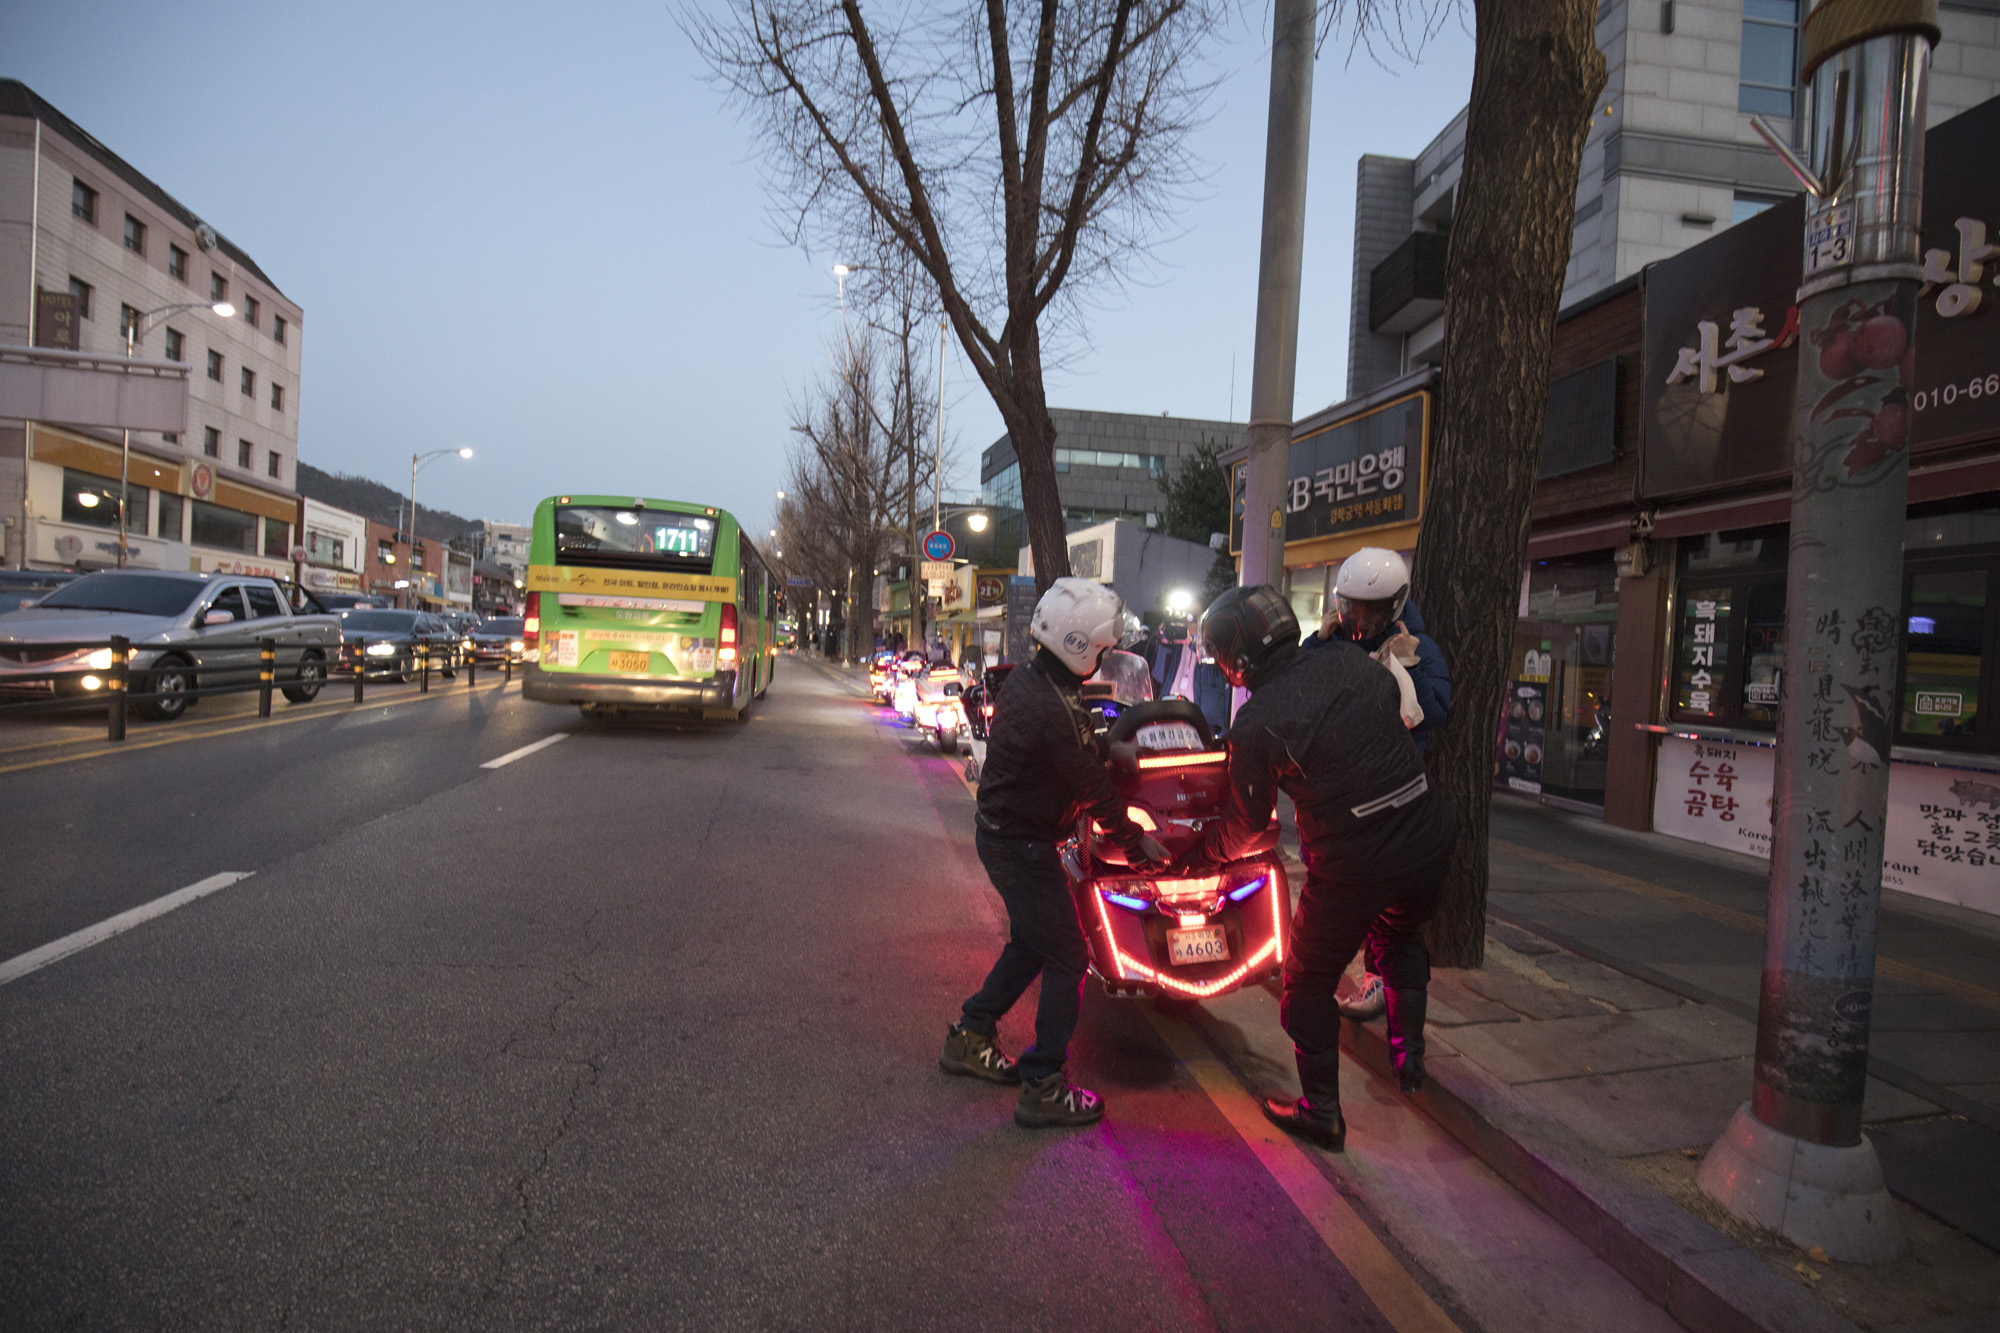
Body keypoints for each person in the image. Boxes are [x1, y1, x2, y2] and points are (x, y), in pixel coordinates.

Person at [1186, 585, 1453, 1151]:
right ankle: (1410, 1061)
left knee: (1306, 984)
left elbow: (1246, 831)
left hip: (1355, 858)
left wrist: (1196, 857)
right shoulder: (1352, 663)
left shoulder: (1257, 724)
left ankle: (1321, 1113)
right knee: (1401, 934)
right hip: (1428, 832)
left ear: (1235, 660)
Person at [941, 578, 1170, 1128]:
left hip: (1006, 835)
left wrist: (1109, 745)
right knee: (1068, 954)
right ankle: (1044, 1083)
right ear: (1079, 646)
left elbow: (1075, 747)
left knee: (1031, 942)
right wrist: (1138, 846)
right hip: (1019, 844)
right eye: (1103, 648)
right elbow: (1091, 784)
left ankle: (970, 1035)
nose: (1107, 655)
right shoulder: (1054, 704)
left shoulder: (1034, 677)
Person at [1307, 548, 1454, 1021]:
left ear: (1394, 604)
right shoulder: (1335, 642)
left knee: (1386, 902)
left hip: (1395, 797)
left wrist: (1408, 665)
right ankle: (1326, 977)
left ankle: (1377, 980)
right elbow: (1300, 691)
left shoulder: (1419, 647)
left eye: (1370, 610)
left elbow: (1435, 713)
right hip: (1340, 794)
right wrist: (1318, 642)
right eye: (1352, 607)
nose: (1360, 619)